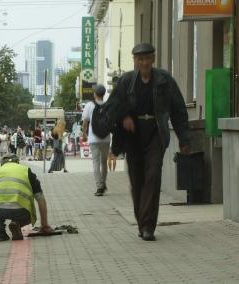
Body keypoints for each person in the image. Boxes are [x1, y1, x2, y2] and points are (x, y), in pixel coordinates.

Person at [107, 43, 191, 241]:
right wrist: (124, 116)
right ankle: (141, 221)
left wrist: (184, 139)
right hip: (133, 135)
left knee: (153, 176)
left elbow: (179, 110)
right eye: (139, 59)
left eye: (147, 58)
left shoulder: (164, 80)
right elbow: (112, 107)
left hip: (156, 132)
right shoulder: (127, 81)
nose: (144, 62)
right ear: (135, 61)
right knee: (137, 181)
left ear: (153, 59)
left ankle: (148, 226)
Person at [0, 153, 53, 241]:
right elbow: (40, 198)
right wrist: (44, 225)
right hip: (21, 211)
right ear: (18, 162)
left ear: (2, 164)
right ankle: (16, 223)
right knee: (21, 210)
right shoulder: (26, 171)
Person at [82, 84, 111, 196]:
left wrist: (84, 134)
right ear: (103, 94)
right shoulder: (108, 105)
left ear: (95, 94)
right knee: (104, 163)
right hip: (106, 138)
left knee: (96, 162)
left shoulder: (90, 105)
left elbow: (85, 122)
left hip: (94, 138)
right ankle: (103, 184)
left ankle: (99, 187)